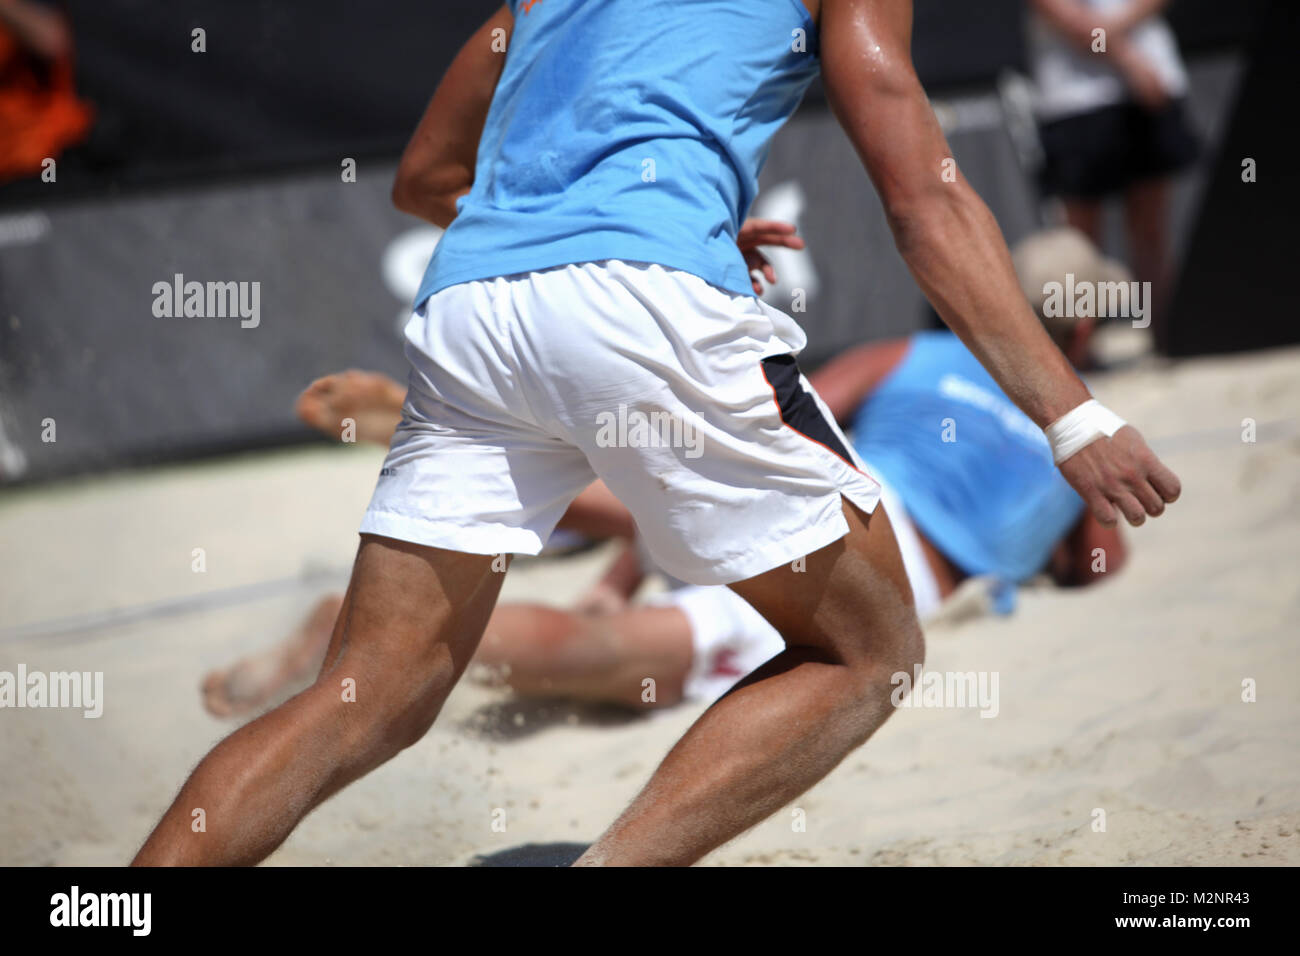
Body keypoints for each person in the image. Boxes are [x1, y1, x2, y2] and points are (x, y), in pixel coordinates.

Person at [135, 0, 1178, 867]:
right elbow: (925, 200)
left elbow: (422, 179)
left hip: (476, 303)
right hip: (648, 295)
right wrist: (1070, 411)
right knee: (870, 649)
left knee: (368, 694)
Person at [202, 227, 1129, 712]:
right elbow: (1099, 564)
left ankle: (576, 514)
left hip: (822, 486)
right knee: (620, 657)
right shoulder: (1080, 433)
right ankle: (366, 633)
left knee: (689, 486)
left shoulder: (915, 356)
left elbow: (793, 408)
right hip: (893, 565)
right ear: (1082, 332)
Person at [1025, 0, 1199, 351]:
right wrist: (1127, 56)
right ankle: (1079, 352)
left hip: (1147, 91)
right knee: (1079, 243)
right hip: (1074, 100)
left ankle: (1163, 337)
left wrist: (1111, 39)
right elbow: (1063, 16)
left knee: (1150, 233)